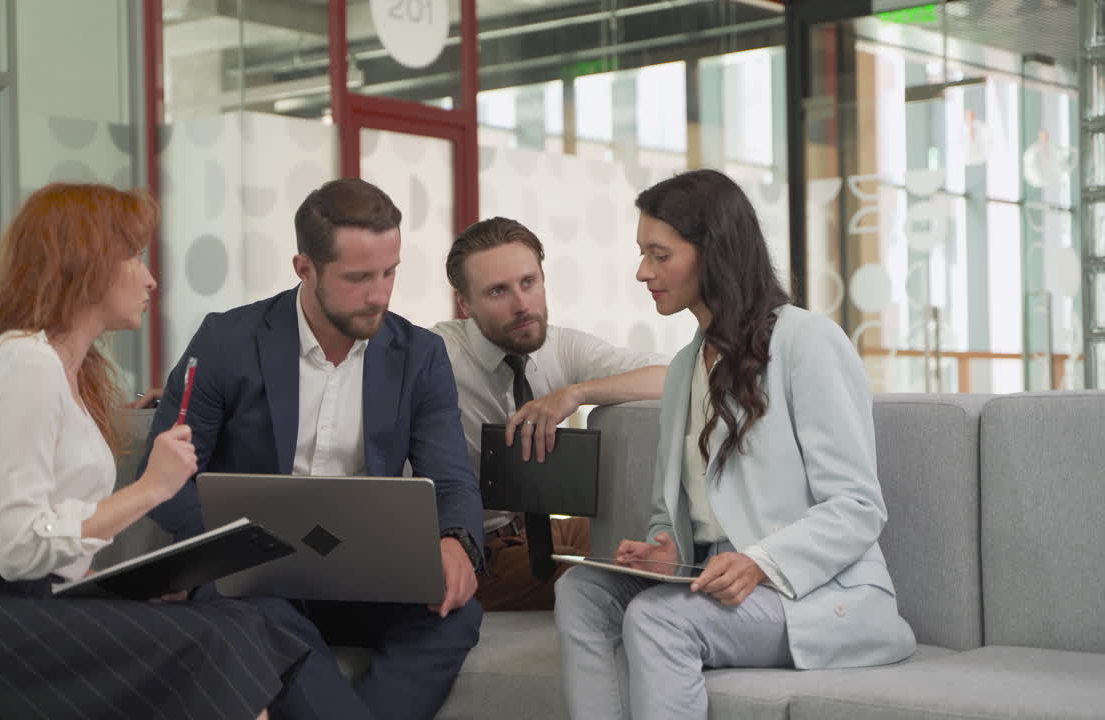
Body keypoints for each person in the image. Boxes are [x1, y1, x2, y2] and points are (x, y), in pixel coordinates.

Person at [0, 183, 308, 720]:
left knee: (241, 623)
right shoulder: (24, 365)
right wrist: (152, 489)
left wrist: (125, 590)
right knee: (211, 644)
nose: (150, 278)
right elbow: (17, 547)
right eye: (132, 256)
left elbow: (46, 549)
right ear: (83, 263)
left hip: (19, 603)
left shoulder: (69, 377)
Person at [554, 169, 916, 720]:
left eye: (659, 254)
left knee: (657, 618)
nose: (642, 271)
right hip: (713, 577)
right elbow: (674, 512)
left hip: (815, 594)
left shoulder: (806, 341)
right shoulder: (682, 370)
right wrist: (664, 546)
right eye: (642, 254)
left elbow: (858, 507)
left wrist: (760, 563)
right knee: (582, 592)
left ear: (712, 253)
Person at [144, 178, 484, 720]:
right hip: (253, 581)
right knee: (256, 616)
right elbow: (162, 484)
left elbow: (451, 479)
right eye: (358, 278)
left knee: (455, 614)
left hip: (367, 579)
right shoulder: (227, 341)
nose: (380, 294)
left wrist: (456, 543)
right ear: (305, 268)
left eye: (389, 272)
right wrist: (235, 550)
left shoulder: (420, 355)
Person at [433, 217, 667, 611]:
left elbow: (680, 374)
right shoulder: (436, 355)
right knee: (617, 578)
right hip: (475, 548)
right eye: (497, 291)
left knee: (653, 536)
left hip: (534, 530)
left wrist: (576, 394)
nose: (522, 305)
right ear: (465, 304)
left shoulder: (560, 347)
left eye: (529, 282)